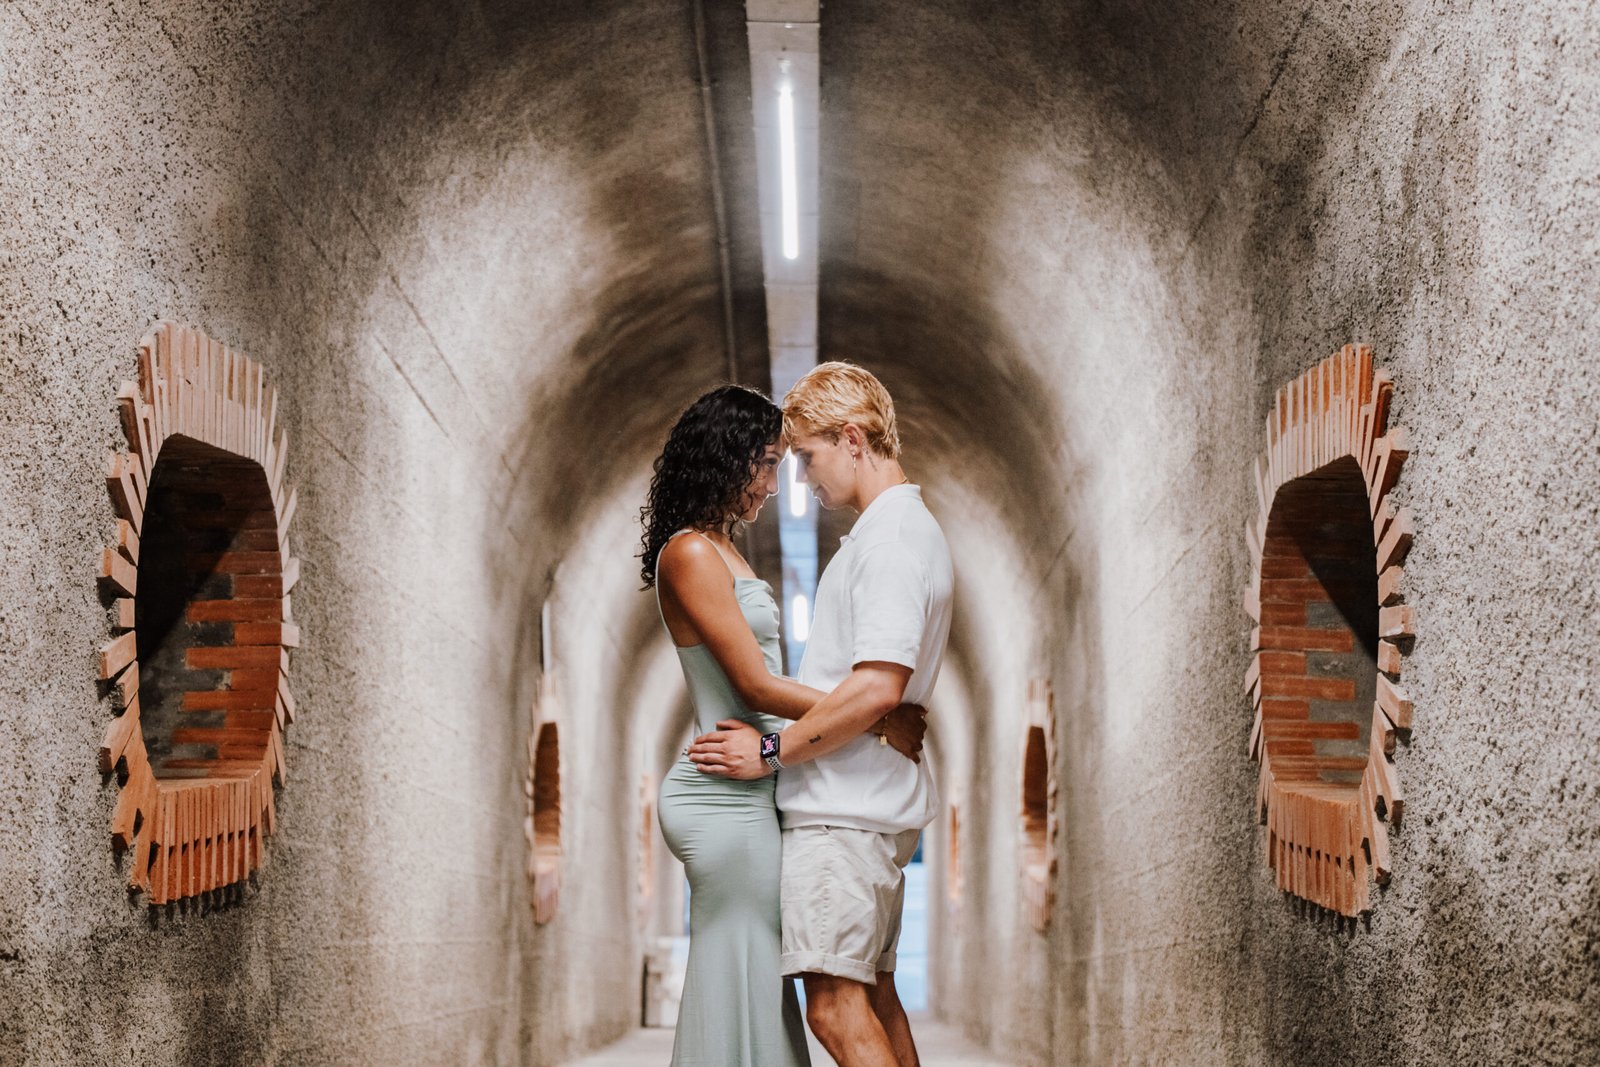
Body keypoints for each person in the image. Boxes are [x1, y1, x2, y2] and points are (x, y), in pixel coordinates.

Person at [641, 384, 928, 1067]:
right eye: (766, 463)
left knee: (761, 972)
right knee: (744, 966)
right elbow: (755, 684)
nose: (775, 483)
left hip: (752, 783)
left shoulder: (721, 548)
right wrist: (874, 715)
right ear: (724, 457)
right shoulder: (687, 554)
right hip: (723, 795)